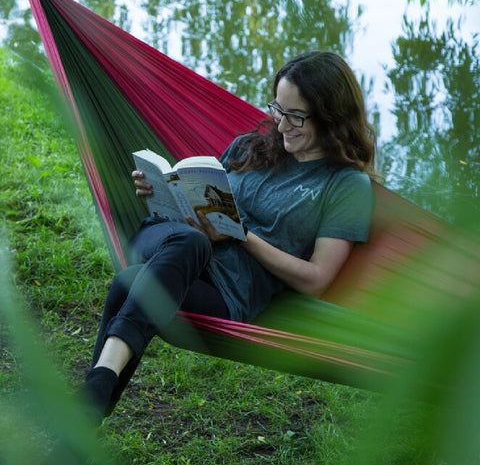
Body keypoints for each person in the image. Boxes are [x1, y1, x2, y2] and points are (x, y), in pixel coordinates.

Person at [81, 50, 376, 426]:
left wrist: (240, 236)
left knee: (130, 282)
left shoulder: (346, 186)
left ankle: (91, 404)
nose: (282, 125)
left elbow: (317, 279)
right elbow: (199, 199)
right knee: (191, 242)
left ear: (332, 117)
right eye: (277, 109)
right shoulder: (248, 146)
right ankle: (95, 398)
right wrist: (157, 192)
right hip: (170, 243)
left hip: (226, 292)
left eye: (296, 116)